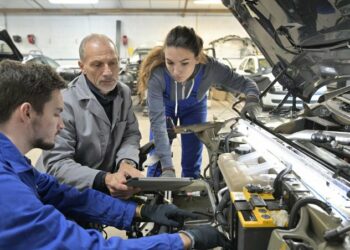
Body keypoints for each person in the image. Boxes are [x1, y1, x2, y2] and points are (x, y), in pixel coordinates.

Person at [0, 59, 232, 249]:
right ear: (27, 113)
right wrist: (185, 239)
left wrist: (141, 211)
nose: (61, 125)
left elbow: (67, 196)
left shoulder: (15, 164)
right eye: (56, 113)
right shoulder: (6, 189)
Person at [138, 26, 260, 178]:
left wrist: (253, 100)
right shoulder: (157, 75)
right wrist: (167, 168)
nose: (176, 71)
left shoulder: (211, 68)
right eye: (170, 62)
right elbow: (158, 125)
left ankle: (190, 191)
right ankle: (155, 189)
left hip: (194, 108)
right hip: (165, 107)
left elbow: (247, 83)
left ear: (197, 58)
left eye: (184, 63)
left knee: (192, 155)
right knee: (157, 155)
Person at [36, 34, 143, 199]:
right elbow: (57, 164)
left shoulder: (124, 93)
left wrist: (126, 162)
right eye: (97, 64)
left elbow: (131, 133)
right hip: (59, 191)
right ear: (82, 66)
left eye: (113, 63)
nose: (107, 72)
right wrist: (104, 179)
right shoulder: (64, 102)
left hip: (102, 184)